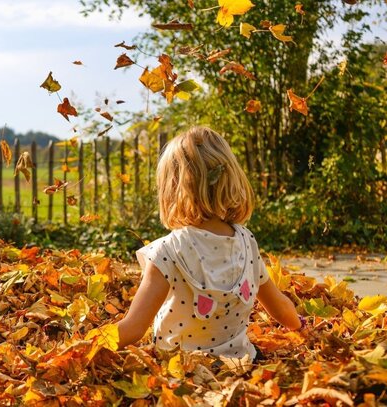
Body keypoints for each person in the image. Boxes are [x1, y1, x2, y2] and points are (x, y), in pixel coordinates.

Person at [117, 126, 301, 359]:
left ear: (172, 189)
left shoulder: (168, 251)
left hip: (181, 370)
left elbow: (133, 328)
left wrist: (84, 345)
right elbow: (282, 310)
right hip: (241, 364)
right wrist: (301, 326)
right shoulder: (246, 241)